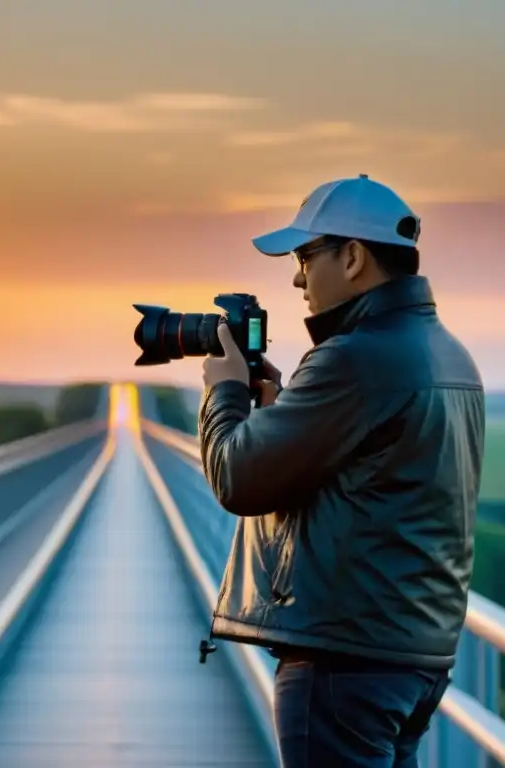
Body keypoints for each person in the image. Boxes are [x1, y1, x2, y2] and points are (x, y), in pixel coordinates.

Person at [198, 173, 485, 767]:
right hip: (413, 655)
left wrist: (224, 393)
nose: (298, 276)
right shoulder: (449, 353)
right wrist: (282, 414)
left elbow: (237, 476)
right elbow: (372, 482)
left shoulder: (355, 357)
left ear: (352, 256)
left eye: (307, 255)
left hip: (343, 660)